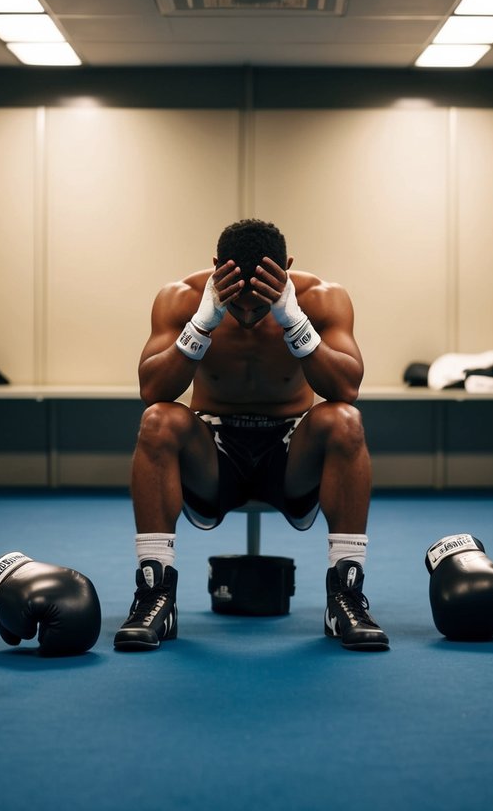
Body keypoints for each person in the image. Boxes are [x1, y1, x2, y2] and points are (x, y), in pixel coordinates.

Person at [114, 218, 388, 652]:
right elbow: (153, 391)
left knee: (345, 420)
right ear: (217, 267)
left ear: (286, 269)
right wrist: (203, 323)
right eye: (236, 303)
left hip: (290, 453)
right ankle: (154, 595)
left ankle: (346, 596)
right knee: (158, 420)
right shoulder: (181, 299)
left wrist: (291, 319)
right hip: (213, 454)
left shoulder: (322, 299)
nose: (244, 316)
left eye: (257, 304)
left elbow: (346, 389)